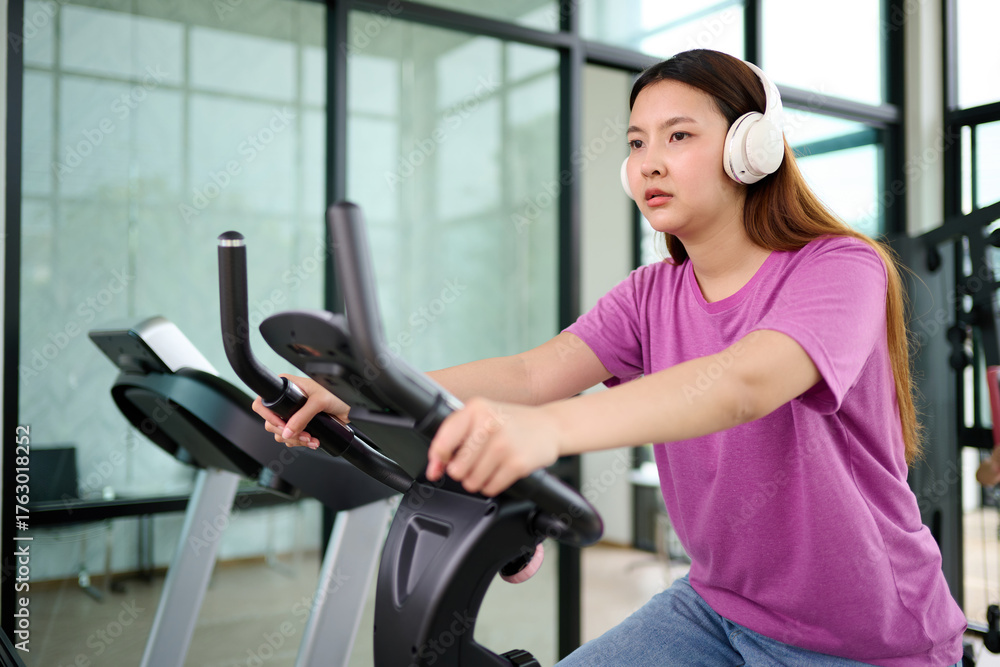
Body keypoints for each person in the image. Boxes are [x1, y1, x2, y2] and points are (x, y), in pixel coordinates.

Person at [253, 49, 966, 666]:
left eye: (678, 135)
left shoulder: (839, 267)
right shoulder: (650, 293)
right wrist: (357, 390)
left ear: (754, 149)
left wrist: (550, 430)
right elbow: (533, 373)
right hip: (717, 607)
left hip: (865, 638)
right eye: (635, 142)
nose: (648, 161)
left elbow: (747, 380)